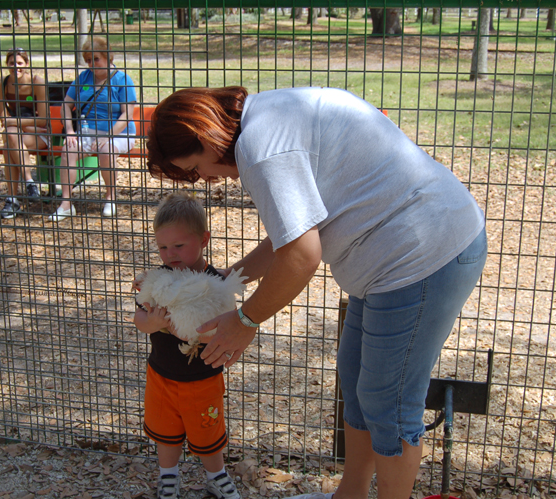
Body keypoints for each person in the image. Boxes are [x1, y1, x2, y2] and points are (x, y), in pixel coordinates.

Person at [145, 87, 488, 499]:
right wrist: (223, 282)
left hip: (423, 255)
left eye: (197, 166)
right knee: (358, 380)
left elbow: (302, 255)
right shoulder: (270, 116)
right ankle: (351, 494)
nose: (208, 179)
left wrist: (244, 320)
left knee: (389, 405)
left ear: (205, 137)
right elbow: (290, 234)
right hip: (393, 262)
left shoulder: (260, 148)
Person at [133, 192, 241, 499]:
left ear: (204, 238)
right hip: (162, 375)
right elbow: (139, 319)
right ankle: (168, 476)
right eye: (163, 247)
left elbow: (221, 327)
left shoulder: (214, 282)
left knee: (207, 430)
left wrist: (180, 328)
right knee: (165, 431)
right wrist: (153, 323)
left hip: (203, 377)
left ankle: (216, 475)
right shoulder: (156, 280)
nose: (170, 254)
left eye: (179, 245)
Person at [49, 36, 137, 222]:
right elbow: (66, 105)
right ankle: (66, 203)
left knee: (107, 148)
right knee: (68, 149)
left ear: (108, 57)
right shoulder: (83, 78)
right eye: (88, 60)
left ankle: (110, 197)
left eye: (95, 59)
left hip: (119, 133)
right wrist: (70, 131)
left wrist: (109, 136)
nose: (91, 64)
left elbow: (126, 115)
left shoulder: (122, 79)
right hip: (88, 132)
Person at [0, 48, 48, 219]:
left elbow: (43, 120)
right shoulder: (1, 83)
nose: (15, 67)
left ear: (26, 64)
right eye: (11, 63)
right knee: (11, 138)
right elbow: (3, 117)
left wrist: (16, 123)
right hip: (19, 132)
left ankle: (12, 200)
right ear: (6, 65)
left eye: (19, 63)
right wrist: (19, 125)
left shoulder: (36, 82)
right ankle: (29, 183)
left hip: (39, 134)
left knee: (10, 144)